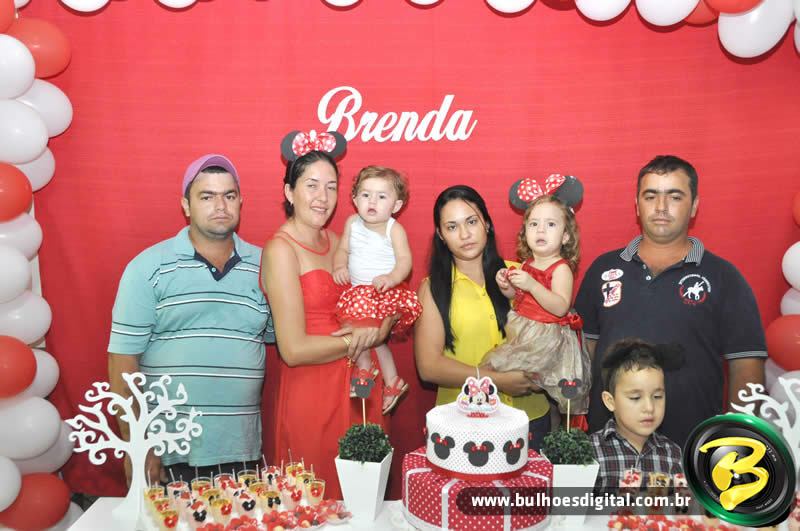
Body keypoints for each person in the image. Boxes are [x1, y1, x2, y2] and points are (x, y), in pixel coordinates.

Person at [575, 155, 767, 447]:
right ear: (637, 205)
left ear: (695, 205)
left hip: (694, 447)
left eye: (675, 196)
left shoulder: (724, 277)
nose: (661, 207)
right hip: (608, 449)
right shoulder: (603, 270)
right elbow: (583, 356)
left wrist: (736, 443)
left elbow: (746, 367)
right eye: (650, 196)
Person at [108, 154, 273, 485]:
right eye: (207, 196)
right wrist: (137, 444)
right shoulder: (148, 268)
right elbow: (122, 362)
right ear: (186, 205)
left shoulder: (267, 265)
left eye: (228, 195)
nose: (220, 206)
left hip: (242, 452)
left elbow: (288, 338)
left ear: (241, 201)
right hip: (167, 451)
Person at [261, 130, 395, 500]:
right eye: (311, 186)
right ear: (289, 192)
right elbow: (293, 350)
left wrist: (384, 322)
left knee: (362, 501)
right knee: (314, 499)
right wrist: (361, 338)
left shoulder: (342, 244)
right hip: (312, 392)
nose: (322, 197)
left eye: (331, 187)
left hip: (360, 389)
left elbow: (379, 302)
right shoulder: (280, 250)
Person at [414, 185, 551, 451]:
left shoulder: (521, 276)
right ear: (441, 235)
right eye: (452, 227)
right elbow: (428, 366)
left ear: (486, 224)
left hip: (529, 418)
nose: (464, 234)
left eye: (472, 221)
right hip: (462, 422)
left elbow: (551, 336)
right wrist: (496, 380)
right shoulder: (433, 289)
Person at [482, 179, 590, 428]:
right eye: (534, 224)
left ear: (565, 236)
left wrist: (531, 284)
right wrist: (506, 286)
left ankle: (556, 429)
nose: (541, 230)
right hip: (525, 331)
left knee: (553, 393)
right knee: (503, 375)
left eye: (550, 224)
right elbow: (518, 298)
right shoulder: (527, 264)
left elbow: (560, 307)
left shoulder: (561, 268)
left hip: (549, 338)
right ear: (525, 232)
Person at [332, 166, 422, 415]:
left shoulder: (394, 228)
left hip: (383, 292)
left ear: (396, 205)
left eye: (381, 196)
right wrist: (339, 265)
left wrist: (392, 278)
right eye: (365, 195)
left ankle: (368, 370)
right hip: (358, 293)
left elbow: (405, 261)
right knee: (365, 336)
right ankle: (388, 379)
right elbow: (342, 250)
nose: (372, 201)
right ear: (354, 199)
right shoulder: (352, 223)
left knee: (371, 336)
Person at [591, 339, 685, 493]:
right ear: (610, 401)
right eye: (635, 398)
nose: (649, 407)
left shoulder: (672, 453)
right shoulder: (591, 452)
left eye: (657, 397)